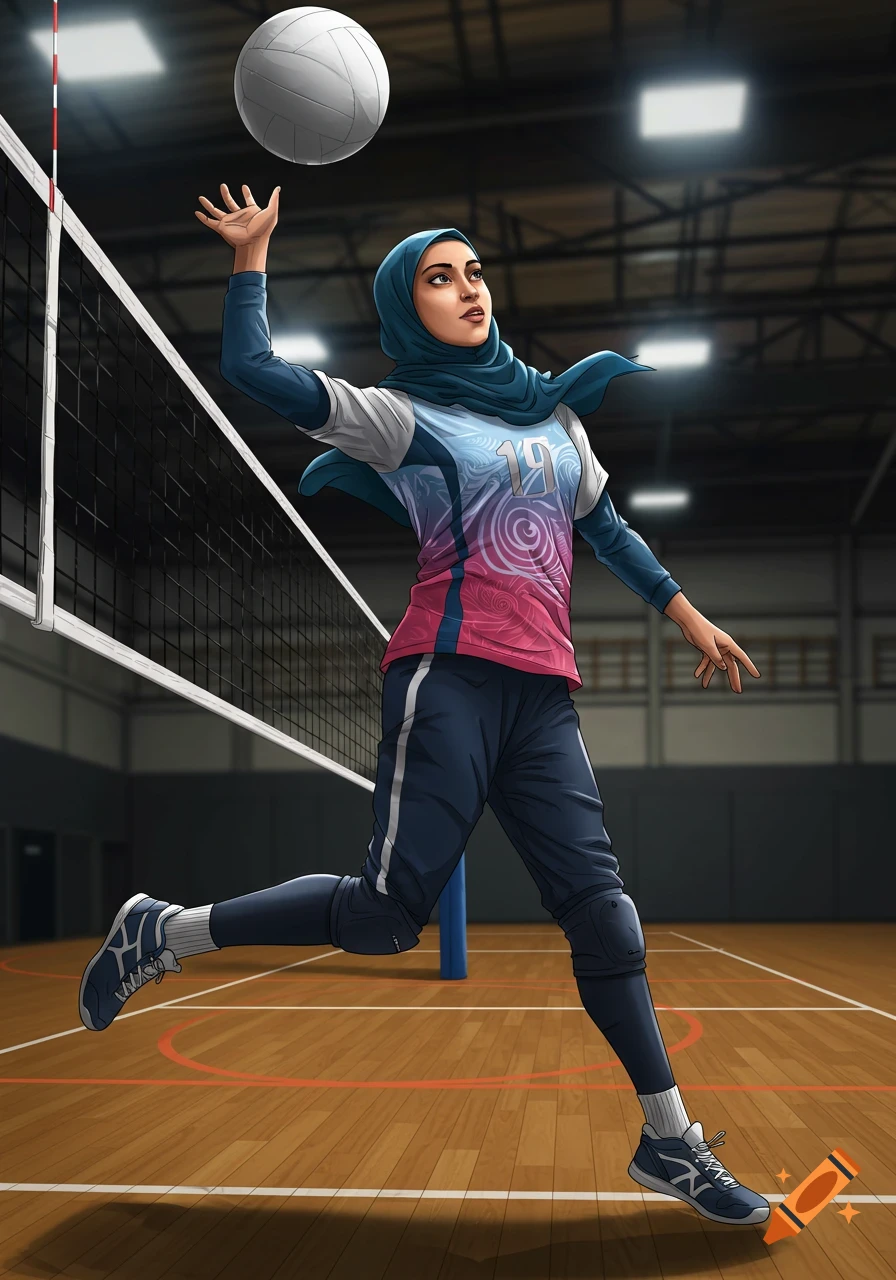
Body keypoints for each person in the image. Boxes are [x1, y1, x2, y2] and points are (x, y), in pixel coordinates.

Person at [79, 184, 767, 1227]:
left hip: (541, 700)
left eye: (472, 271)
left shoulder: (558, 419)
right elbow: (254, 372)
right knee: (382, 916)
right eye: (439, 278)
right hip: (446, 677)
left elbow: (609, 528)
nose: (466, 289)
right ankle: (165, 931)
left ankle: (667, 1139)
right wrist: (250, 261)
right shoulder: (401, 416)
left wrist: (684, 612)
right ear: (409, 308)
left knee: (603, 913)